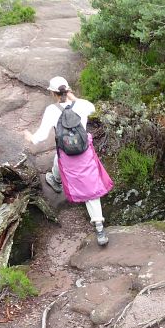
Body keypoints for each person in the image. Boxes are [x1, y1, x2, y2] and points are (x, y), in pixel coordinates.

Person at [24, 76, 113, 246]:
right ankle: (100, 229)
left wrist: (31, 138)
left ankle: (56, 180)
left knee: (60, 155)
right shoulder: (82, 105)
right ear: (68, 90)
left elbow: (41, 135)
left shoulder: (51, 110)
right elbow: (92, 108)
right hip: (84, 153)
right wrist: (73, 98)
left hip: (66, 154)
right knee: (91, 190)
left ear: (52, 93)